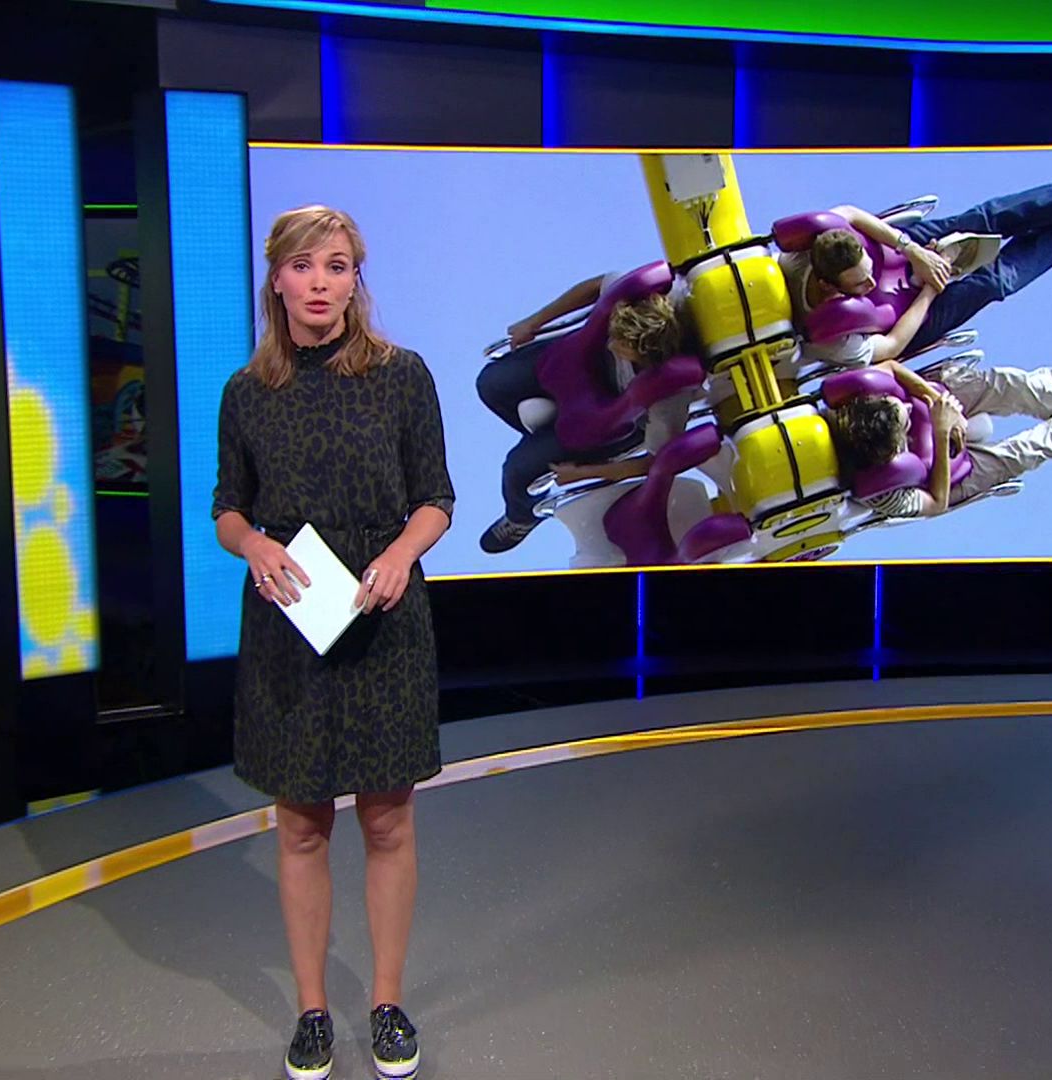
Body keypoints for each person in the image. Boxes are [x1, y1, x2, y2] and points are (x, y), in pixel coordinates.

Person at [211, 205, 454, 1080]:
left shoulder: (402, 375)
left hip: (383, 617)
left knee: (388, 820)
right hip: (293, 620)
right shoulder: (247, 393)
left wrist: (400, 555)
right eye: (305, 266)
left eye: (338, 266)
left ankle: (386, 1004)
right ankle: (312, 1013)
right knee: (302, 825)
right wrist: (253, 544)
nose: (321, 283)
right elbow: (228, 508)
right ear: (276, 279)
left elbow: (436, 498)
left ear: (357, 280)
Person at [781, 150, 1052, 368]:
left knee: (984, 220)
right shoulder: (834, 341)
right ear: (829, 286)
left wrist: (913, 250)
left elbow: (849, 212)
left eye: (865, 272)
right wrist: (930, 288)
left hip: (901, 254)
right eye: (859, 283)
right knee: (989, 284)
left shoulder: (797, 255)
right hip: (907, 318)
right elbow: (892, 347)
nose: (867, 282)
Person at [474, 268, 696, 554]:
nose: (611, 343)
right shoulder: (638, 297)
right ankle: (544, 438)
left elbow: (656, 461)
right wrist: (534, 322)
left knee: (517, 470)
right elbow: (594, 287)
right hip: (573, 364)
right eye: (613, 334)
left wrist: (585, 472)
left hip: (608, 421)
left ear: (642, 354)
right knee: (491, 383)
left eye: (620, 345)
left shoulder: (668, 398)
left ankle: (521, 517)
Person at [828, 358, 1052, 518]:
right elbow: (936, 504)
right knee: (1034, 447)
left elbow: (891, 369)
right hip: (947, 474)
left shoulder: (845, 403)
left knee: (1019, 385)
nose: (908, 413)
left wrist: (932, 400)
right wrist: (940, 434)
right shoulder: (881, 491)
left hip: (942, 400)